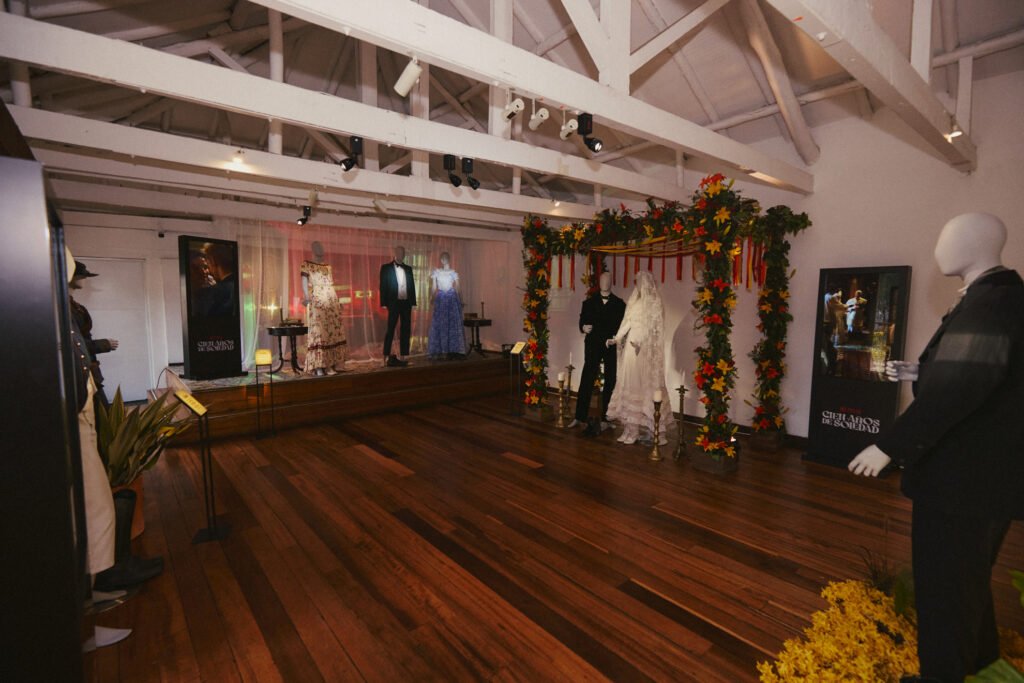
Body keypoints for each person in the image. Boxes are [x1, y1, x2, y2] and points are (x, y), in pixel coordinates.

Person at [848, 212, 1024, 683]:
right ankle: (982, 660)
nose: (938, 249)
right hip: (983, 479)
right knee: (968, 579)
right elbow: (982, 374)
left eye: (946, 238)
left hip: (961, 481)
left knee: (943, 588)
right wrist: (920, 371)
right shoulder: (998, 297)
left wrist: (889, 446)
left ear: (976, 244)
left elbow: (957, 391)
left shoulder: (992, 303)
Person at [605, 271, 669, 445]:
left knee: (642, 386)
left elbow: (655, 328)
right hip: (631, 347)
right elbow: (627, 322)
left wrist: (643, 341)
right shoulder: (634, 302)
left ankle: (649, 430)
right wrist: (617, 338)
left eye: (641, 281)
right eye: (637, 282)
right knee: (629, 384)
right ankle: (630, 429)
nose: (639, 285)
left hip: (644, 349)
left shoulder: (654, 302)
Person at [569, 271, 625, 430]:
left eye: (608, 280)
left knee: (610, 380)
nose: (605, 282)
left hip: (610, 346)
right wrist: (583, 327)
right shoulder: (589, 302)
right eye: (602, 280)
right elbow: (582, 320)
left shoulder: (619, 304)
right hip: (593, 345)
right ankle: (579, 416)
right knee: (587, 378)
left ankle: (607, 418)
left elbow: (622, 326)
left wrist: (617, 338)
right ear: (599, 282)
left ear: (611, 282)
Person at [68, 261, 119, 408]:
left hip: (89, 366)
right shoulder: (65, 308)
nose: (85, 279)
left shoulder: (77, 308)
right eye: (82, 276)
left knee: (100, 411)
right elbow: (72, 343)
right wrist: (103, 345)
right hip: (78, 369)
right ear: (72, 277)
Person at [302, 241, 348, 375]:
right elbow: (304, 281)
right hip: (318, 298)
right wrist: (306, 297)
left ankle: (330, 364)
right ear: (312, 249)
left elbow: (331, 285)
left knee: (332, 331)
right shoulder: (306, 264)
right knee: (320, 331)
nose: (320, 249)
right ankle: (318, 366)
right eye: (317, 247)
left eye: (321, 247)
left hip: (331, 298)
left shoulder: (328, 267)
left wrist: (337, 301)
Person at [379, 245, 416, 367]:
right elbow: (383, 286)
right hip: (393, 302)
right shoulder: (386, 268)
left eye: (403, 252)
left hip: (406, 303)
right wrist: (384, 302)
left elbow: (411, 286)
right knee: (390, 328)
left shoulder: (408, 269)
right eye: (399, 252)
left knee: (406, 329)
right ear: (395, 253)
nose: (401, 254)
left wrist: (413, 302)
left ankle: (404, 355)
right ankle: (385, 355)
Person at [426, 252, 466, 359]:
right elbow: (434, 287)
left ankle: (452, 350)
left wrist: (461, 300)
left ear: (448, 259)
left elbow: (458, 288)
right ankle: (442, 350)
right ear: (441, 260)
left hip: (451, 299)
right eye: (443, 258)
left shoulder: (453, 273)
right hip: (441, 300)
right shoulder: (437, 272)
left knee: (452, 324)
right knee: (440, 323)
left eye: (446, 258)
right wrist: (432, 298)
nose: (444, 260)